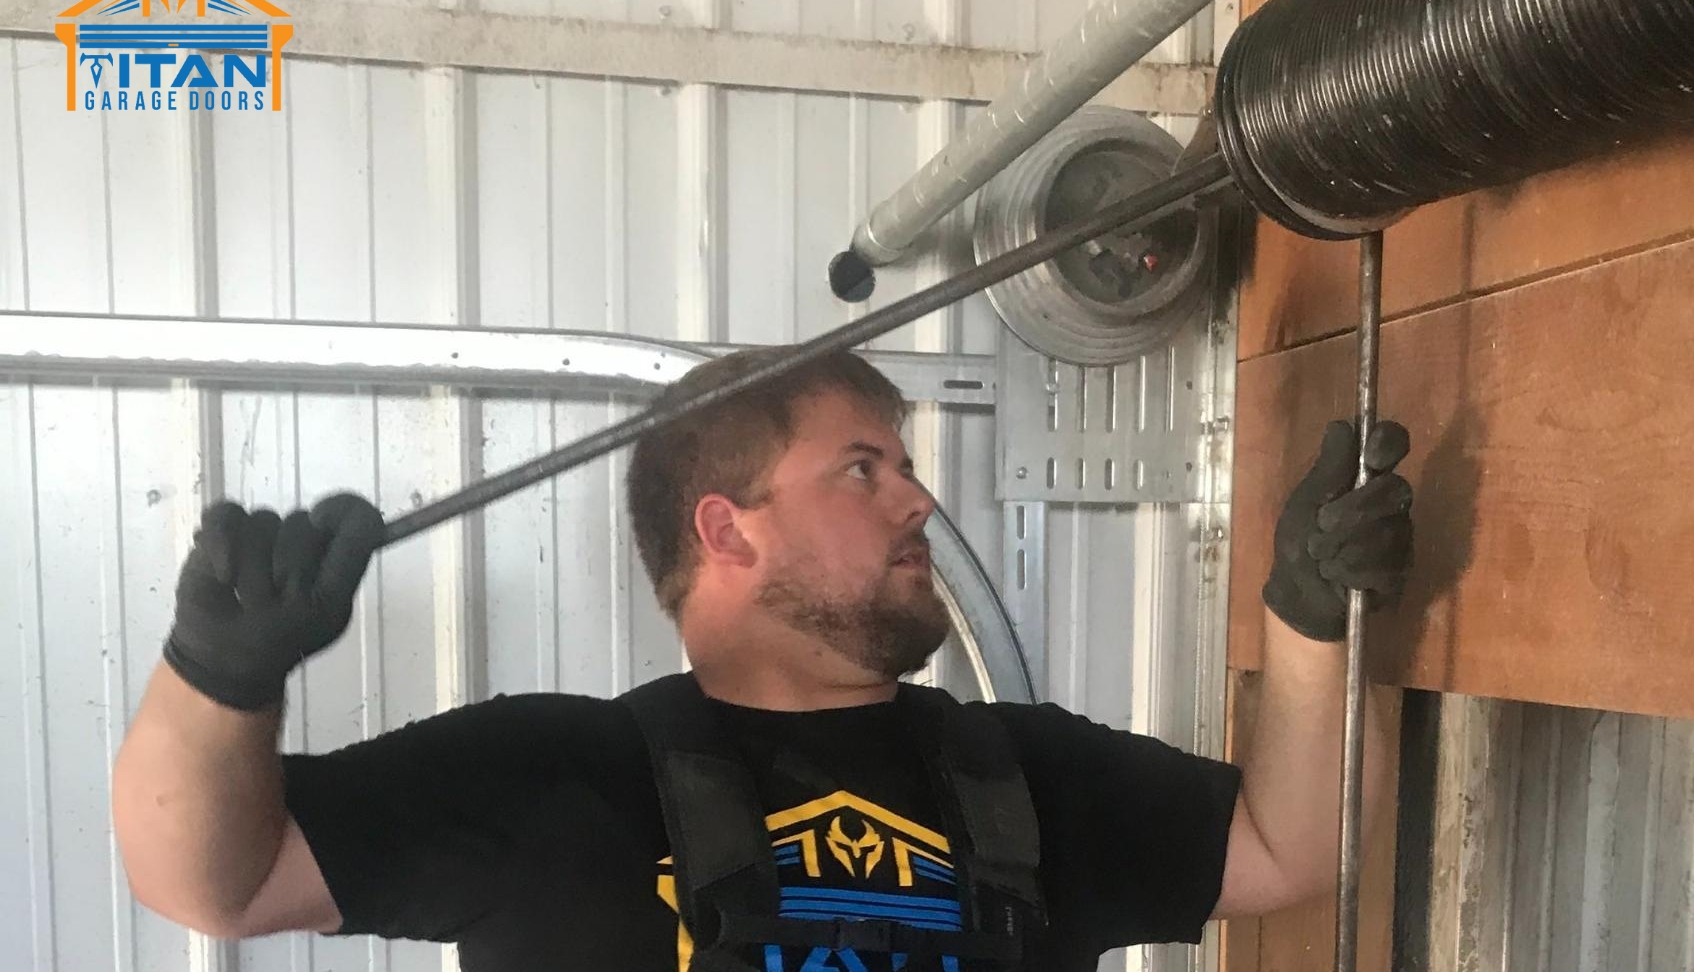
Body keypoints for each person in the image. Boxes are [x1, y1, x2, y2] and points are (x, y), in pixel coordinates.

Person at [111, 347, 1413, 972]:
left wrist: (1307, 619)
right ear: (727, 528)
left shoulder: (1025, 776)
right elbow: (210, 879)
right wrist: (218, 672)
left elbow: (1289, 851)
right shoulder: (553, 779)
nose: (917, 502)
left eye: (907, 465)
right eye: (864, 467)